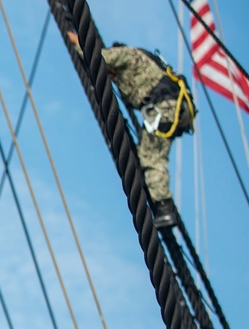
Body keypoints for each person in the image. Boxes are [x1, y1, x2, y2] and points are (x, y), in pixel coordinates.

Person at [68, 31, 195, 228]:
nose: (112, 76)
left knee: (152, 158)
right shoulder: (142, 62)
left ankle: (164, 206)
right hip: (173, 109)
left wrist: (76, 42)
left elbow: (97, 57)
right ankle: (157, 196)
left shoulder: (125, 55)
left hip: (165, 108)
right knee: (147, 152)